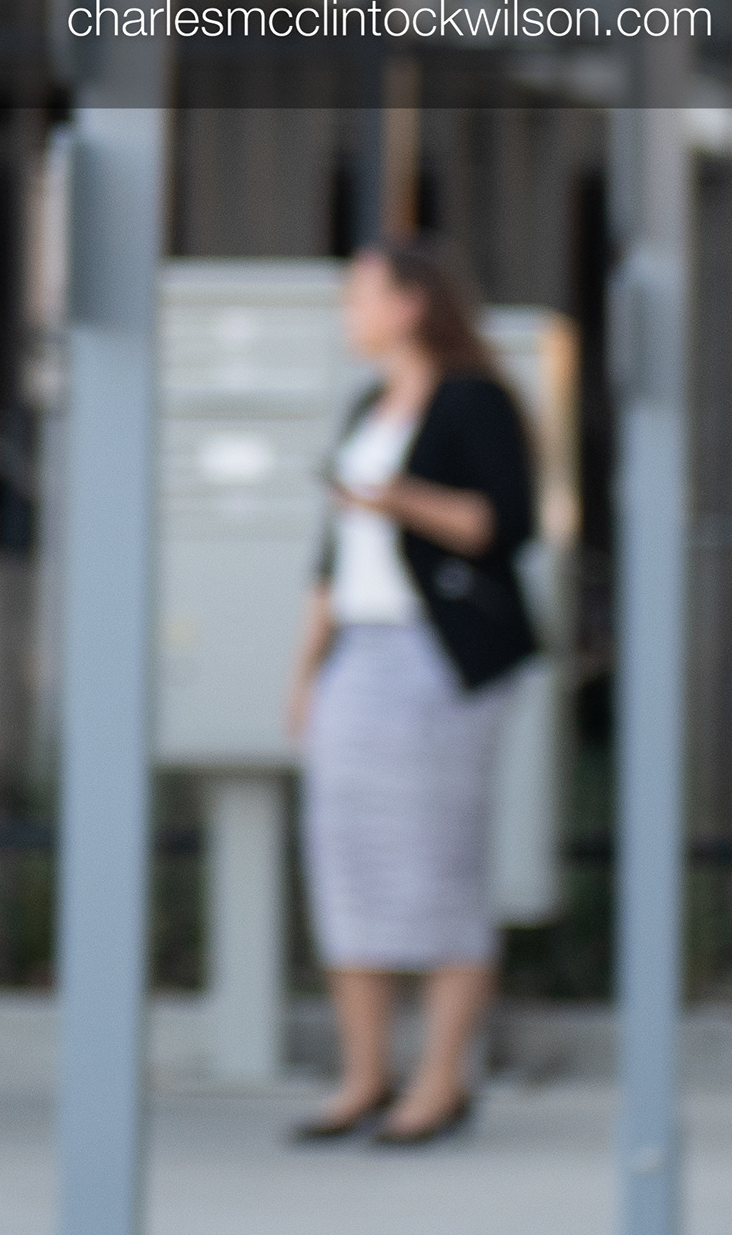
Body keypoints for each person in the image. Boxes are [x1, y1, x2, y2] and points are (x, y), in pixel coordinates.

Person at [281, 238, 541, 1151]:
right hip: (359, 649)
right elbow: (330, 555)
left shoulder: (476, 401)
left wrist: (396, 499)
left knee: (437, 864)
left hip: (440, 655)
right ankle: (363, 1077)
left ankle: (440, 1083)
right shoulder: (364, 405)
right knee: (344, 860)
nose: (348, 315)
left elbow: (503, 525)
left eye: (360, 296)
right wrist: (305, 670)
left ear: (412, 304)